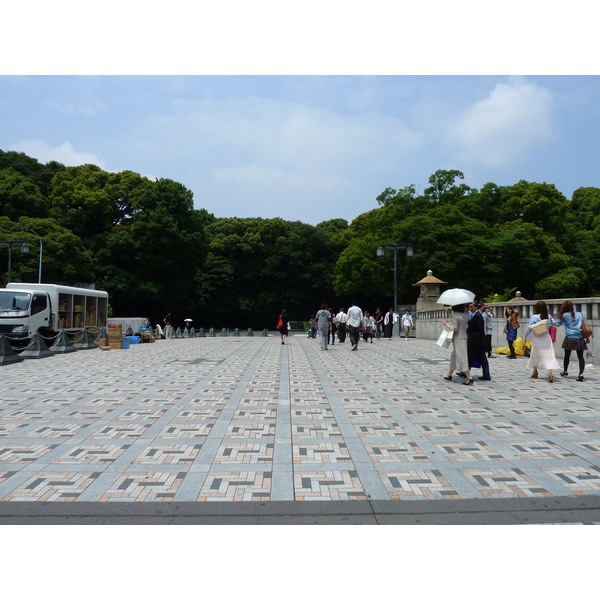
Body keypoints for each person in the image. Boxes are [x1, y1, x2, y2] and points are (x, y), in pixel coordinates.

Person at [523, 300, 560, 383]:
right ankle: (549, 372)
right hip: (546, 337)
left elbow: (529, 328)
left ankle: (535, 371)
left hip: (537, 337)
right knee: (548, 355)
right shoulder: (549, 316)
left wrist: (525, 338)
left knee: (536, 353)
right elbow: (555, 324)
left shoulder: (534, 317)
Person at [553, 300, 588, 381]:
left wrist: (551, 321)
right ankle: (581, 374)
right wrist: (587, 338)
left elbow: (558, 324)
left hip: (569, 337)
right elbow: (584, 326)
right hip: (579, 337)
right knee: (580, 357)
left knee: (567, 355)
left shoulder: (565, 315)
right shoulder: (579, 314)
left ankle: (565, 371)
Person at [441, 304, 473, 385]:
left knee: (461, 357)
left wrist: (446, 324)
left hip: (458, 338)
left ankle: (469, 377)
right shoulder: (464, 315)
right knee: (454, 355)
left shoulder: (455, 316)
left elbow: (455, 328)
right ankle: (449, 374)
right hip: (464, 337)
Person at [467, 301, 491, 381]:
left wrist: (469, 322)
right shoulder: (475, 315)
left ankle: (466, 372)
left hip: (476, 341)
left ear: (476, 307)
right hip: (478, 341)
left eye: (471, 307)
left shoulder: (477, 315)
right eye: (469, 307)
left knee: (471, 357)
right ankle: (486, 374)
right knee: (479, 357)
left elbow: (476, 327)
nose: (470, 308)